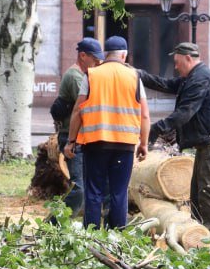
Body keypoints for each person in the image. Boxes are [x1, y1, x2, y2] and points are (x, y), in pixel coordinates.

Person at [139, 42, 210, 238]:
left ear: (188, 58)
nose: (175, 67)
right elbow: (164, 84)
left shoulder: (201, 79)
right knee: (198, 195)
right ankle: (197, 234)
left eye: (177, 62)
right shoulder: (191, 78)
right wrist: (138, 74)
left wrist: (157, 128)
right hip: (205, 145)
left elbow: (185, 112)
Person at [64, 36, 149, 228]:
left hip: (96, 143)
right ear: (123, 55)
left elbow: (78, 110)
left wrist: (71, 141)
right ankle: (117, 235)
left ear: (106, 54)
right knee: (119, 192)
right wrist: (143, 143)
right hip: (125, 144)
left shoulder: (92, 75)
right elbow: (144, 115)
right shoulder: (135, 76)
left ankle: (92, 235)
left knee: (94, 191)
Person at [50, 38, 103, 217]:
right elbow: (87, 105)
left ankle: (87, 223)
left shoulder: (83, 75)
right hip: (72, 138)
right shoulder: (75, 77)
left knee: (87, 185)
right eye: (95, 59)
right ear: (82, 56)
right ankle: (54, 224)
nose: (98, 63)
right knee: (79, 187)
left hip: (81, 138)